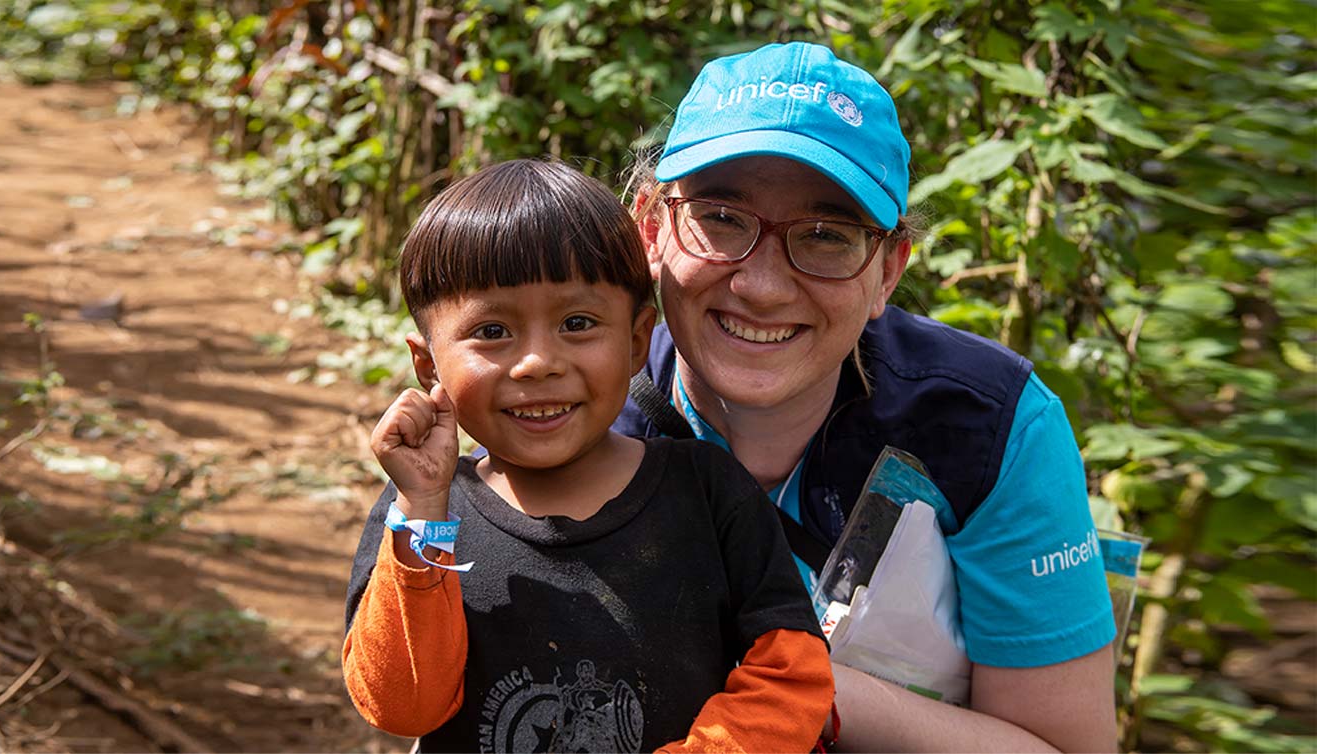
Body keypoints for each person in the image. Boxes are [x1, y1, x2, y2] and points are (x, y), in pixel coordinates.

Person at [348, 42, 1119, 752]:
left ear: (888, 270)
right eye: (720, 218)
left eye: (826, 233)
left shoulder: (986, 424)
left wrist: (784, 683)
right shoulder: (570, 405)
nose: (760, 284)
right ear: (651, 226)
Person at [341, 158, 834, 752]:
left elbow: (793, 675)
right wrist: (421, 512)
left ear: (635, 341)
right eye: (492, 332)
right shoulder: (423, 522)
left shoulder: (706, 492)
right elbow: (401, 706)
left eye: (577, 322)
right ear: (428, 366)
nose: (538, 362)